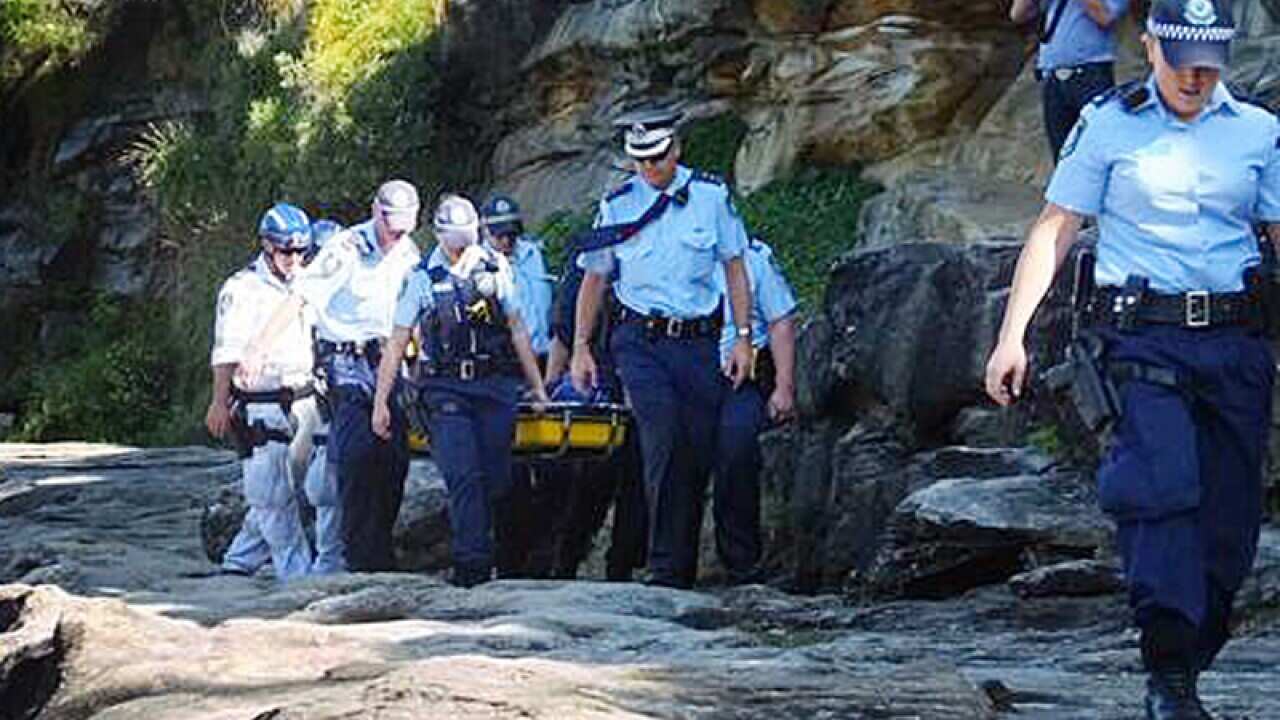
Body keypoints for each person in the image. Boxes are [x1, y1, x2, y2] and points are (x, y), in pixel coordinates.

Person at [985, 2, 1278, 717]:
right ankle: (1168, 670)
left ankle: (1188, 656)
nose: (1196, 75)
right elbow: (1056, 230)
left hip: (1236, 343)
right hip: (1143, 339)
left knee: (1232, 525)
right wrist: (1011, 336)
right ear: (1150, 47)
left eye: (1210, 59)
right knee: (1161, 490)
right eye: (1182, 58)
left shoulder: (1260, 131)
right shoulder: (1108, 123)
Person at [571, 107, 754, 589]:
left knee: (695, 448)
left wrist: (741, 338)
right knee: (663, 437)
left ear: (677, 150)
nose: (649, 169)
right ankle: (665, 566)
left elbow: (735, 266)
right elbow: (594, 278)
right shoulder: (618, 204)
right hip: (639, 341)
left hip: (695, 340)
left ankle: (681, 565)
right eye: (640, 161)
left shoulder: (711, 197)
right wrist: (581, 348)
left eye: (657, 158)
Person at [238, 180, 422, 572]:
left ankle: (379, 553)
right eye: (392, 227)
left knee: (393, 461)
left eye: (405, 227)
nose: (396, 236)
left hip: (390, 360)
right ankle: (356, 559)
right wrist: (257, 350)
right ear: (376, 212)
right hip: (346, 360)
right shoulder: (346, 249)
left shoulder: (409, 251)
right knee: (357, 456)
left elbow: (413, 311)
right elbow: (300, 297)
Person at [372, 194, 550, 588]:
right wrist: (381, 401)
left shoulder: (495, 268)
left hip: (494, 387)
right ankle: (472, 568)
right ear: (438, 236)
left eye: (466, 240)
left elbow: (518, 328)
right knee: (463, 475)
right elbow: (398, 340)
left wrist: (537, 387)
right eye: (454, 241)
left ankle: (506, 560)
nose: (460, 249)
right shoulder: (421, 278)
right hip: (445, 389)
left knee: (498, 479)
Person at [205, 202, 315, 580]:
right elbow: (226, 352)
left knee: (299, 490)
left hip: (304, 398)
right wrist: (220, 401)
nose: (295, 259)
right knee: (271, 495)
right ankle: (297, 576)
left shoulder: (307, 280)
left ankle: (241, 559)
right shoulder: (242, 289)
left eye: (303, 251)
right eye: (287, 251)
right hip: (261, 403)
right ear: (268, 246)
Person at [541, 248, 648, 581]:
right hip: (597, 387)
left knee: (638, 483)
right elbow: (564, 333)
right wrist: (550, 389)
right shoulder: (587, 263)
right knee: (589, 485)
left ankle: (622, 566)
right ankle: (565, 563)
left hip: (644, 383)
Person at [479, 193, 558, 578]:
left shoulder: (533, 256)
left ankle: (544, 559)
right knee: (507, 473)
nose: (506, 243)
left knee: (552, 468)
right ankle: (509, 561)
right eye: (499, 236)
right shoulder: (477, 265)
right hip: (503, 371)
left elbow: (543, 312)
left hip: (541, 366)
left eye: (511, 234)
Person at [713, 236, 797, 585]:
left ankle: (741, 562)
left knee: (738, 448)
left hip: (744, 373)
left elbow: (782, 322)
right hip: (686, 371)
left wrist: (784, 386)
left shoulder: (753, 258)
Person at [1010, 0, 1130, 161]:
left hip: (1090, 74)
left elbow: (1105, 16)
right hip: (1052, 76)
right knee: (1062, 158)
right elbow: (1018, 15)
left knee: (1097, 151)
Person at [298, 217, 345, 575]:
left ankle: (328, 558)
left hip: (336, 398)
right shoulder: (298, 295)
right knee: (289, 484)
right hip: (302, 397)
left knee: (325, 485)